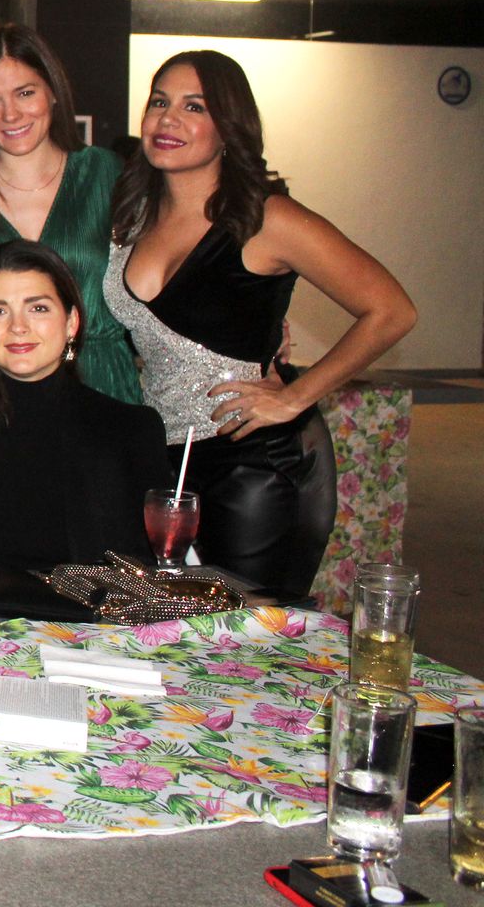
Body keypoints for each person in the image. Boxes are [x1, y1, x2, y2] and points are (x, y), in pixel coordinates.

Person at [103, 51, 416, 599]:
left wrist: (295, 397)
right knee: (167, 626)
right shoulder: (134, 213)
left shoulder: (266, 218)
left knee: (248, 631)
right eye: (159, 102)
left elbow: (392, 310)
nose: (168, 119)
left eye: (194, 107)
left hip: (252, 464)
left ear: (229, 126)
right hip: (163, 459)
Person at [0, 241, 164, 574]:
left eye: (38, 308)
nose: (18, 326)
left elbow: (144, 568)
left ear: (72, 322)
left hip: (89, 609)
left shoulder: (129, 430)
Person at [0, 23, 142, 403]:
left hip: (99, 390)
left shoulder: (107, 176)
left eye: (25, 93)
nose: (10, 114)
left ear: (52, 91)